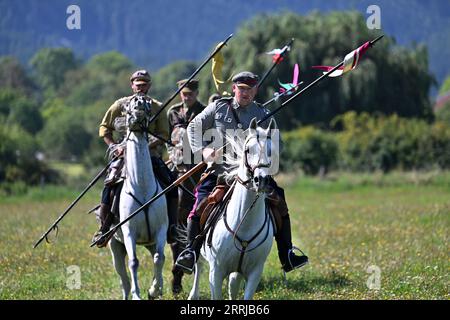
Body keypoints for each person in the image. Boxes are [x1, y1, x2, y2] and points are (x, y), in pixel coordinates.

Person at [176, 71, 309, 273]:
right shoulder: (218, 108)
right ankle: (190, 252)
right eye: (242, 88)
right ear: (234, 89)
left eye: (250, 89)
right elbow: (193, 128)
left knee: (279, 201)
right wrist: (203, 150)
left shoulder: (263, 114)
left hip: (253, 175)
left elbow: (278, 144)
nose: (245, 93)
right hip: (220, 172)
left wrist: (264, 153)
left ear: (256, 90)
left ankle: (287, 254)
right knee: (199, 205)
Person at [92, 69, 179, 247]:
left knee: (171, 184)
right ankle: (105, 227)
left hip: (151, 157)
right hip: (123, 157)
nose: (140, 88)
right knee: (110, 184)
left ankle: (173, 228)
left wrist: (144, 148)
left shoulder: (157, 106)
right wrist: (114, 147)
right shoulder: (119, 105)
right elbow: (104, 128)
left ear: (149, 86)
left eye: (144, 85)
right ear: (132, 85)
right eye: (137, 85)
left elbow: (164, 134)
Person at [166, 78, 206, 293]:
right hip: (175, 165)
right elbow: (166, 137)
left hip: (196, 169)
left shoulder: (204, 111)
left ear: (196, 93)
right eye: (183, 92)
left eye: (190, 93)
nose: (186, 96)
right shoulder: (172, 112)